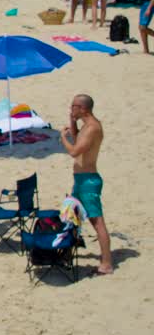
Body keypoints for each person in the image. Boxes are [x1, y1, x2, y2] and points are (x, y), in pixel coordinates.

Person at [59, 94, 112, 274]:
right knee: (71, 216)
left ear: (83, 108)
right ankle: (66, 254)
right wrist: (72, 122)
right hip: (81, 181)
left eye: (74, 106)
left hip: (89, 182)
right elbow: (77, 138)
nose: (71, 108)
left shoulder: (92, 128)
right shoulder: (85, 127)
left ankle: (106, 264)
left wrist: (62, 139)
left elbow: (74, 151)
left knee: (97, 221)